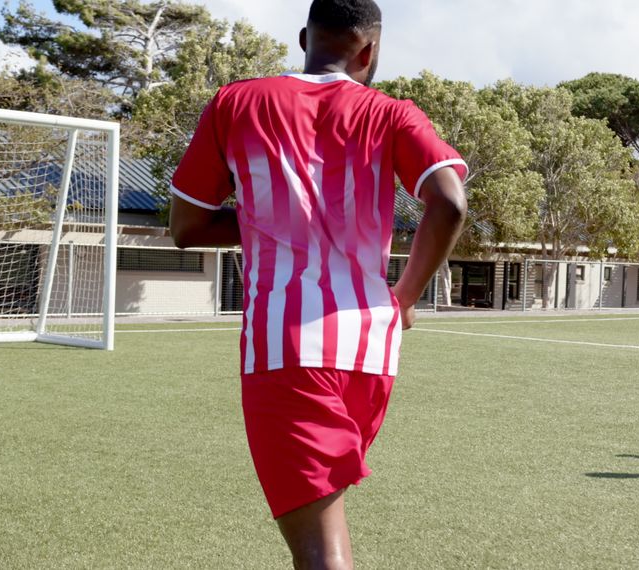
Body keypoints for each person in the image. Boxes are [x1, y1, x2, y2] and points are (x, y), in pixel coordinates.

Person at [168, 1, 468, 567]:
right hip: (371, 352)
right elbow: (449, 201)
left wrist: (263, 215)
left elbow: (186, 226)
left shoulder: (237, 101)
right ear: (369, 50)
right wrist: (403, 298)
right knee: (324, 517)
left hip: (286, 347)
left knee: (318, 546)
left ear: (305, 36)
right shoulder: (393, 113)